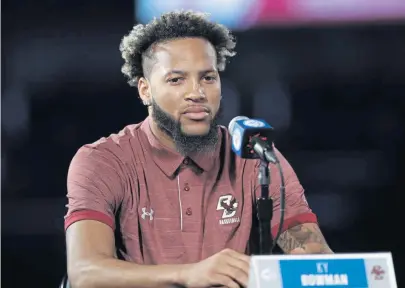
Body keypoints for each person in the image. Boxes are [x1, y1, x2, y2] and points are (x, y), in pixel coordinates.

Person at [64, 10, 332, 288]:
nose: (197, 92)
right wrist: (188, 274)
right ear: (145, 90)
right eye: (176, 79)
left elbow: (314, 257)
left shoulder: (256, 155)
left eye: (207, 78)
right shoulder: (103, 160)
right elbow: (86, 273)